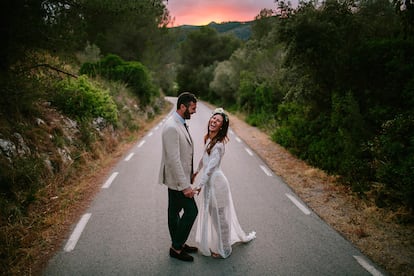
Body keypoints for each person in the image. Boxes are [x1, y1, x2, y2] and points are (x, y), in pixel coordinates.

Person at [193, 108, 256, 259]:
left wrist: (200, 185)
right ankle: (221, 241)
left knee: (220, 217)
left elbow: (210, 170)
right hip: (210, 184)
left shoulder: (219, 145)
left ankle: (225, 248)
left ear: (222, 126)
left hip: (217, 185)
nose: (213, 122)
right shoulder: (208, 138)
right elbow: (204, 160)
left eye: (218, 121)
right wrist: (195, 171)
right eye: (213, 119)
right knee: (213, 217)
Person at [158, 92, 199, 262]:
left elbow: (183, 154)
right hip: (177, 182)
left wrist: (190, 174)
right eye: (192, 108)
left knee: (174, 212)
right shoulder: (171, 127)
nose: (194, 111)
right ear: (182, 107)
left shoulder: (180, 123)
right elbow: (173, 160)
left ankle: (178, 244)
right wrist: (185, 186)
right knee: (191, 211)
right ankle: (176, 247)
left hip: (179, 179)